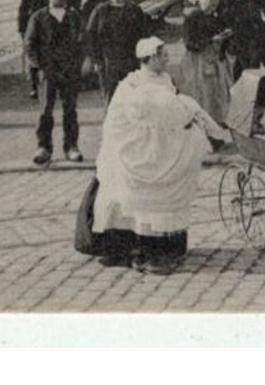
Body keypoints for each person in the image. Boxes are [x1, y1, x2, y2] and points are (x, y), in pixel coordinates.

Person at [91, 38, 227, 273]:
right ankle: (139, 250)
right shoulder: (131, 86)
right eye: (164, 55)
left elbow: (172, 112)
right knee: (135, 200)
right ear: (152, 57)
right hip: (138, 150)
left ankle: (166, 247)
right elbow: (126, 121)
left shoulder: (165, 80)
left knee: (164, 196)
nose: (168, 58)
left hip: (162, 146)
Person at [27, 0, 85, 165]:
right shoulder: (38, 17)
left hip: (69, 69)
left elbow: (83, 41)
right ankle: (43, 147)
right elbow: (29, 44)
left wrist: (79, 63)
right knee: (45, 110)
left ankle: (71, 147)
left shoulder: (74, 16)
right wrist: (39, 66)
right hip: (48, 70)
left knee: (70, 110)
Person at [84, 0, 155, 103]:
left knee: (133, 96)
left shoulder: (134, 10)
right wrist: (95, 60)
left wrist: (145, 59)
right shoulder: (100, 11)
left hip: (130, 60)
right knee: (111, 98)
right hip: (108, 61)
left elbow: (144, 35)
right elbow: (90, 36)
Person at [18, 0, 67, 99]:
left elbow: (68, 0)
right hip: (38, 23)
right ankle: (34, 85)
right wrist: (22, 30)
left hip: (57, 20)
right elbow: (23, 8)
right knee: (35, 53)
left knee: (57, 51)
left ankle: (59, 82)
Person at [175, 0, 233, 126]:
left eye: (214, 4)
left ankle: (216, 119)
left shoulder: (217, 16)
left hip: (215, 58)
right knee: (202, 91)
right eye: (209, 4)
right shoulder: (192, 19)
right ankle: (201, 120)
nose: (212, 7)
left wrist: (224, 37)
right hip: (198, 60)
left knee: (217, 90)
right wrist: (211, 40)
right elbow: (190, 43)